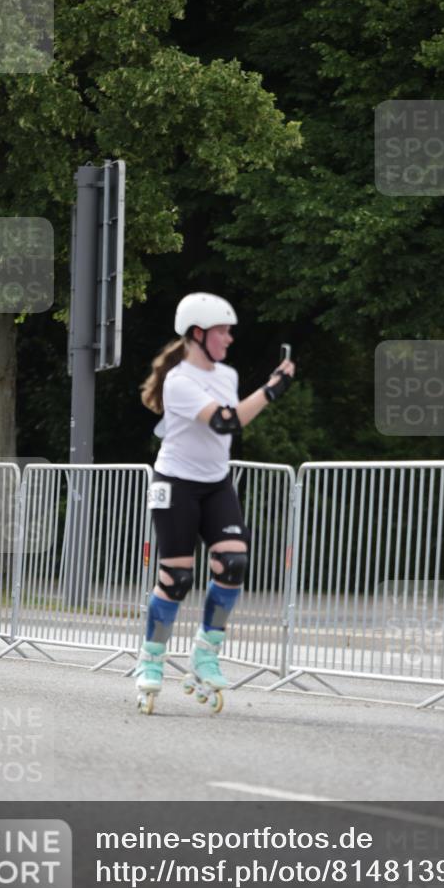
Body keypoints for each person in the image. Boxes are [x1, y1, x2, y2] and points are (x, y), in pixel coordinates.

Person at [136, 292, 295, 714]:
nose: (229, 338)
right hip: (177, 483)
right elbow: (226, 420)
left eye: (229, 331)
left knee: (233, 564)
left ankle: (206, 652)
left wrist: (262, 392)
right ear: (197, 334)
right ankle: (151, 657)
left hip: (215, 481)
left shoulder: (226, 374)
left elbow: (228, 424)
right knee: (176, 578)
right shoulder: (179, 381)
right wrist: (272, 390)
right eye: (223, 331)